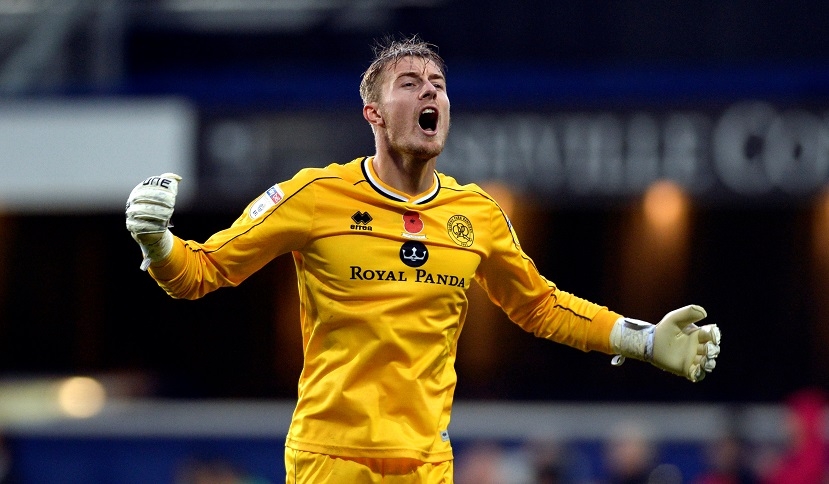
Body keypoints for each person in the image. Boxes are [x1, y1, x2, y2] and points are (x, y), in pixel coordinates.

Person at [125, 35, 722, 483]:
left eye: (437, 83)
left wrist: (643, 340)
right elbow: (201, 273)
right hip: (330, 460)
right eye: (409, 83)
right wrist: (157, 242)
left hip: (427, 465)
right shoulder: (314, 196)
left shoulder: (476, 214)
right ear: (374, 113)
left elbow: (541, 306)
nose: (430, 90)